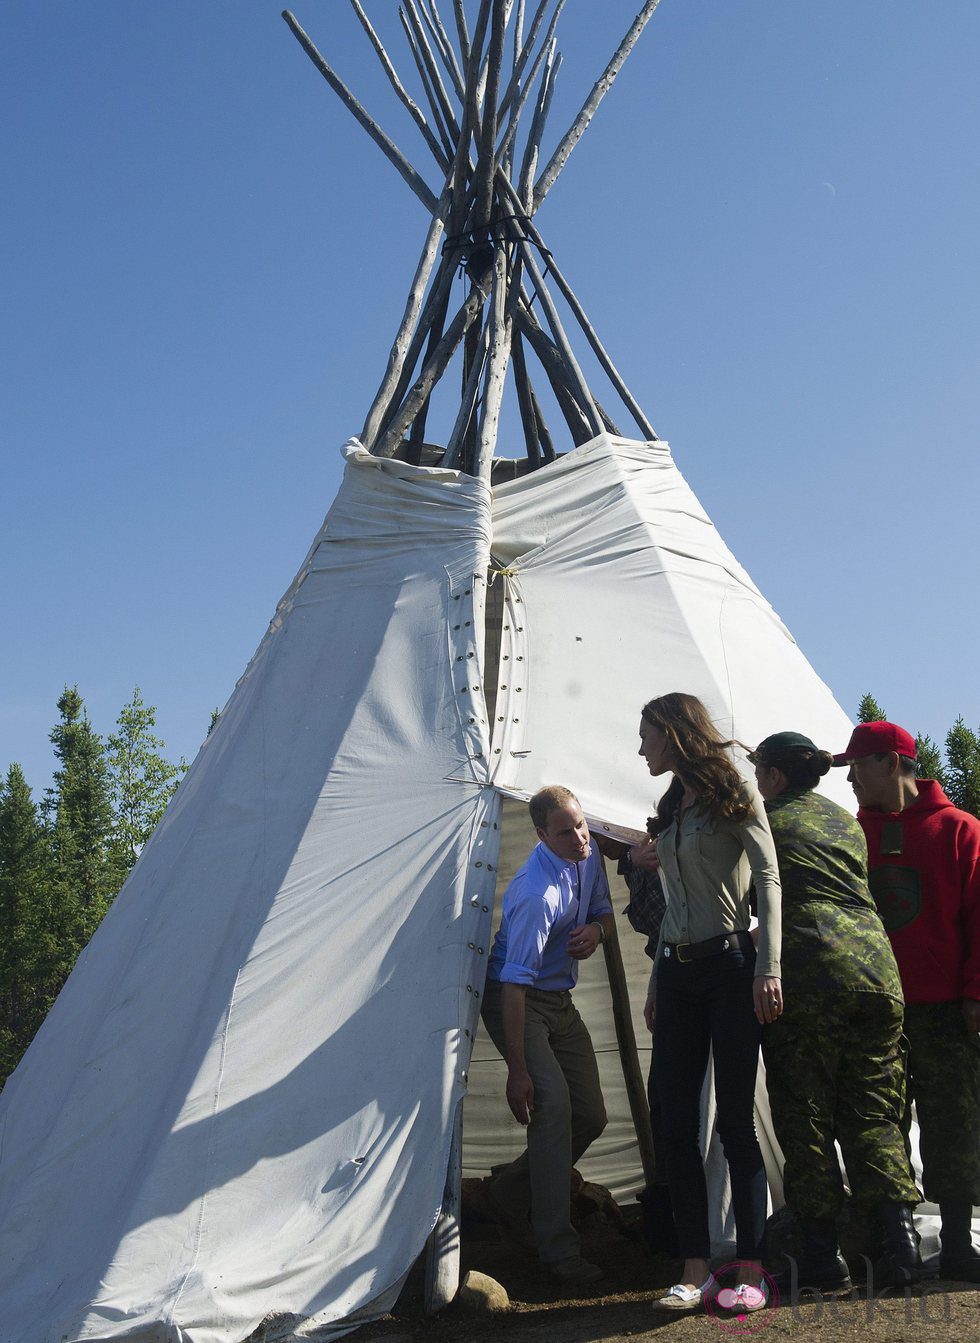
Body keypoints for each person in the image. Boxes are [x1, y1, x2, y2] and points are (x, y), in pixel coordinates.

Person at [751, 731, 921, 1291]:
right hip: (875, 971)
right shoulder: (844, 820)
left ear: (773, 776)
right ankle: (898, 1250)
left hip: (808, 970)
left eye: (759, 772)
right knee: (874, 1112)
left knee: (806, 1115)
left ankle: (822, 1259)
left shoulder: (765, 820)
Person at [638, 693, 782, 1315]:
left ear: (674, 735)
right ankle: (694, 1269)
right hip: (676, 975)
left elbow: (769, 876)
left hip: (730, 969)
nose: (640, 747)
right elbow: (673, 902)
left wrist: (769, 967)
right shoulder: (670, 806)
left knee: (732, 1124)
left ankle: (749, 1270)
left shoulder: (733, 795)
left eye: (647, 735)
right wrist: (654, 980)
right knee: (674, 1121)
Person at [835, 720, 980, 1282]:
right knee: (880, 1123)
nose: (850, 778)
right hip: (876, 1009)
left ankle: (957, 1239)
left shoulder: (960, 829)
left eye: (857, 766)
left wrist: (973, 992)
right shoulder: (852, 833)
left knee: (954, 1118)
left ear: (891, 763)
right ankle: (893, 1243)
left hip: (944, 1007)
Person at [480, 785, 614, 1284]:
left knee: (590, 1114)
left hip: (559, 999)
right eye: (565, 832)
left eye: (581, 824)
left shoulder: (589, 851)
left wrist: (598, 931)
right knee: (552, 1108)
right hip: (518, 1002)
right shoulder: (535, 894)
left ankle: (512, 1190)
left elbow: (603, 911)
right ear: (540, 835)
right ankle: (558, 1251)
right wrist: (518, 1070)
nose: (580, 837)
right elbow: (512, 987)